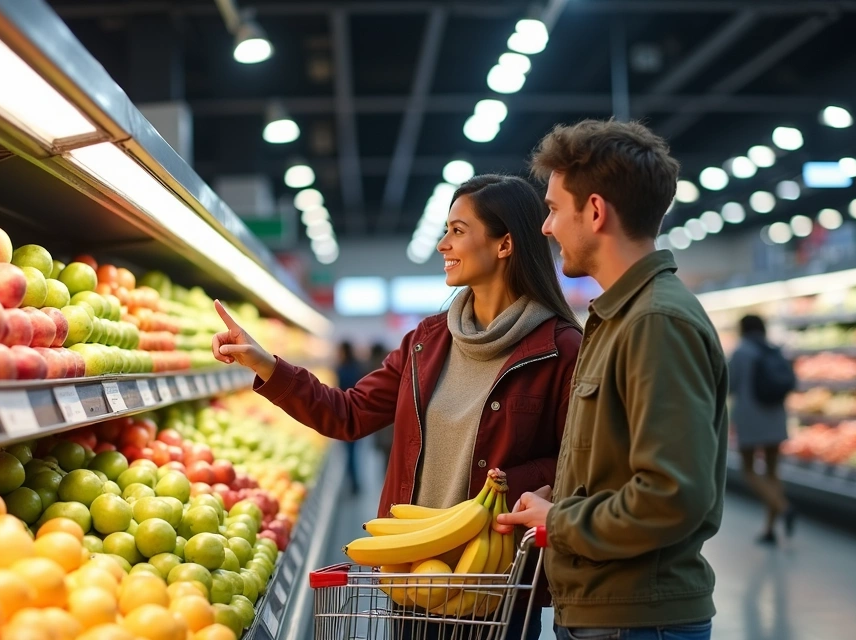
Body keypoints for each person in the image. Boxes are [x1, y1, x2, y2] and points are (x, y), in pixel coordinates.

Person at [211, 174, 582, 638]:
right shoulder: (425, 342)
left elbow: (581, 467)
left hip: (493, 586)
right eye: (445, 230)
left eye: (458, 231)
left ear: (505, 244)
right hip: (412, 575)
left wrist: (515, 482)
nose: (443, 244)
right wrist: (266, 364)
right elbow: (346, 413)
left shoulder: (561, 350)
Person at [499, 119, 728, 640]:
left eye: (554, 209)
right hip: (611, 611)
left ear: (596, 211)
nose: (546, 228)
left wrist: (556, 523)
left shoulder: (654, 323)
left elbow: (670, 495)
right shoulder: (619, 317)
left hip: (637, 619)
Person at [729, 314, 795, 544]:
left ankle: (782, 507)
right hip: (776, 417)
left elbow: (729, 385)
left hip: (750, 418)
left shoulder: (741, 353)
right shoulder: (774, 350)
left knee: (748, 470)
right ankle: (769, 529)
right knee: (772, 472)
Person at [335, 341, 365, 494]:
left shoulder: (340, 368)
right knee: (354, 452)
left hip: (343, 415)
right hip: (357, 415)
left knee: (349, 453)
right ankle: (355, 483)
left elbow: (338, 392)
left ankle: (352, 482)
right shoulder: (358, 367)